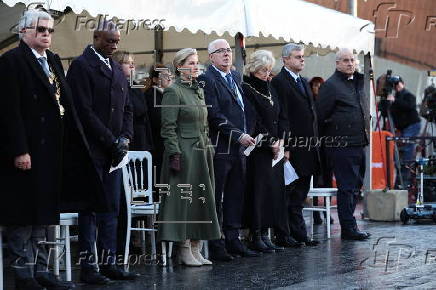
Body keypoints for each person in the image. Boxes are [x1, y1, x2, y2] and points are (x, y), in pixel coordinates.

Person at [0, 9, 101, 290]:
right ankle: (24, 274)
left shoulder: (54, 60)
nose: (47, 34)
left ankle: (44, 270)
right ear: (23, 31)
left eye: (50, 30)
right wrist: (19, 150)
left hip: (53, 151)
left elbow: (65, 104)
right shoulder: (11, 61)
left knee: (46, 215)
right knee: (23, 215)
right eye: (40, 29)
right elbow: (10, 112)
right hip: (28, 150)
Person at [67, 21, 137, 284]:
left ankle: (110, 263)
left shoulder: (116, 69)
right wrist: (111, 141)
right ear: (96, 37)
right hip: (91, 149)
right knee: (91, 211)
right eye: (109, 41)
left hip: (115, 152)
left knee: (111, 209)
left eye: (117, 41)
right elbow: (83, 111)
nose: (114, 45)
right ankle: (89, 267)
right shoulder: (82, 66)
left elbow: (127, 107)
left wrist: (126, 138)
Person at [157, 48, 221, 266]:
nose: (195, 67)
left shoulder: (197, 90)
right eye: (191, 63)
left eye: (197, 63)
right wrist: (175, 153)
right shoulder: (173, 91)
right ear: (179, 66)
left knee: (200, 201)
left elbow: (204, 122)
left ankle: (196, 247)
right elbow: (168, 128)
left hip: (201, 151)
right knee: (184, 201)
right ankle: (184, 249)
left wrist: (208, 146)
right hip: (183, 152)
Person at [198, 39, 258, 261]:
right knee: (217, 196)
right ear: (211, 56)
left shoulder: (234, 77)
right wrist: (238, 135)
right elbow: (214, 116)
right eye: (220, 51)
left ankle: (234, 240)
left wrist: (248, 132)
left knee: (235, 195)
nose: (226, 54)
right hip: (221, 148)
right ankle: (217, 243)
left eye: (228, 51)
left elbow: (243, 110)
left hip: (240, 148)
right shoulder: (207, 79)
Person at [316, 48, 371, 241]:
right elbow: (320, 116)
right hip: (341, 145)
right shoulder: (330, 86)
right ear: (337, 63)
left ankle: (351, 225)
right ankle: (348, 228)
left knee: (355, 186)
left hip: (359, 142)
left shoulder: (357, 83)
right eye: (345, 60)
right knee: (347, 187)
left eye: (352, 60)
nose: (350, 63)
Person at [271, 43, 320, 247]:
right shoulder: (280, 82)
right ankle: (286, 234)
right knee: (289, 193)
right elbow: (283, 116)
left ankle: (299, 233)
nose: (302, 59)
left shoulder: (303, 81)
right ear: (285, 59)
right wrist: (287, 147)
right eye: (297, 56)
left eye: (302, 56)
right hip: (293, 147)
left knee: (300, 193)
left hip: (307, 146)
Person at [241, 50, 288, 253]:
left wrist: (281, 140)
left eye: (269, 70)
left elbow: (281, 115)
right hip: (257, 148)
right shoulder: (246, 88)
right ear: (253, 69)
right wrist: (270, 142)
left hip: (274, 149)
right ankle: (255, 233)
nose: (267, 74)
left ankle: (266, 233)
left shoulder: (270, 88)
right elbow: (254, 120)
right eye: (262, 70)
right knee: (258, 192)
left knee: (272, 192)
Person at [387, 76, 422, 187]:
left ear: (403, 83)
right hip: (403, 128)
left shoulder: (407, 95)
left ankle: (405, 177)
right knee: (403, 148)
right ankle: (401, 177)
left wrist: (394, 101)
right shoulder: (395, 96)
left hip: (412, 125)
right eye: (394, 85)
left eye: (398, 84)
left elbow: (409, 106)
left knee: (407, 147)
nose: (396, 86)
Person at [309, 77, 334, 225]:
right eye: (315, 85)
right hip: (312, 145)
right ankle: (316, 213)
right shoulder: (309, 101)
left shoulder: (327, 102)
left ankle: (327, 212)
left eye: (319, 85)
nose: (317, 88)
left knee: (327, 180)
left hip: (327, 145)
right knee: (314, 181)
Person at [145, 64, 173, 185]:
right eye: (165, 75)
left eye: (170, 75)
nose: (169, 78)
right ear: (155, 80)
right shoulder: (151, 96)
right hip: (158, 145)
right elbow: (160, 120)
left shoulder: (168, 94)